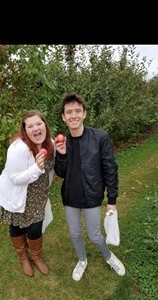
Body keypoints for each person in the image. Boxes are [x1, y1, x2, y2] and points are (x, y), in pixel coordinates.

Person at [54, 92, 125, 281]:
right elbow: (61, 173)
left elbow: (110, 168)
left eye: (78, 111)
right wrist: (60, 154)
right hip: (71, 197)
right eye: (69, 112)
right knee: (75, 233)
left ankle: (109, 257)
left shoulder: (100, 137)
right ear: (63, 116)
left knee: (94, 235)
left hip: (92, 195)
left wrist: (112, 200)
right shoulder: (63, 141)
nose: (73, 115)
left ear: (84, 114)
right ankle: (82, 260)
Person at [0, 110, 55, 277]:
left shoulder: (50, 144)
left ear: (45, 125)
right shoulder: (19, 148)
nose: (36, 128)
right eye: (30, 126)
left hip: (38, 197)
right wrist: (36, 168)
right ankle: (23, 258)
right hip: (17, 195)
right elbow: (14, 178)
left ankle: (36, 257)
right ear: (25, 130)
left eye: (39, 124)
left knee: (35, 229)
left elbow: (57, 167)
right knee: (16, 227)